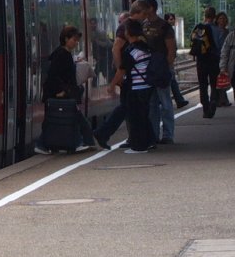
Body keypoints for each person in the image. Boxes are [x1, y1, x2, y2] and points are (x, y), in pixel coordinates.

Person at [36, 25, 96, 154]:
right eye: (74, 40)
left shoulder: (63, 53)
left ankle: (85, 142)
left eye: (77, 40)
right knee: (72, 118)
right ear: (66, 38)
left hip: (61, 92)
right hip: (59, 93)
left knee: (60, 119)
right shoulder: (62, 54)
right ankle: (80, 143)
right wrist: (62, 91)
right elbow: (54, 75)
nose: (76, 43)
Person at [130, 0, 176, 144]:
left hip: (161, 67)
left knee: (165, 102)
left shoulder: (164, 27)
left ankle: (168, 134)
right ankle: (154, 135)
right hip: (147, 69)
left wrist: (167, 66)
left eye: (144, 8)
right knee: (152, 103)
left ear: (151, 8)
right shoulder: (142, 25)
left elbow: (171, 49)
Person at [107, 18, 156, 153]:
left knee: (136, 118)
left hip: (137, 88)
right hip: (147, 86)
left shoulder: (132, 51)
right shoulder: (144, 46)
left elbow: (122, 70)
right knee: (143, 116)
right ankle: (148, 142)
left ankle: (139, 146)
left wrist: (112, 85)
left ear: (129, 32)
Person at [93, 11, 130, 149]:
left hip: (128, 78)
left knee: (127, 107)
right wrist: (113, 83)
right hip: (130, 79)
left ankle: (103, 132)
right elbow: (121, 66)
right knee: (128, 107)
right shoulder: (128, 48)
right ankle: (102, 132)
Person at [193, 6, 221, 119]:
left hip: (202, 60)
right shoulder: (218, 29)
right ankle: (213, 101)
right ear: (215, 16)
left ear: (205, 15)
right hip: (214, 59)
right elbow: (220, 46)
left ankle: (205, 109)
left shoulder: (199, 27)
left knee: (203, 85)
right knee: (214, 84)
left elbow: (194, 42)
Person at [164, 12, 190, 109]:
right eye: (170, 19)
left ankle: (179, 100)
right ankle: (178, 100)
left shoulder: (169, 29)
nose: (172, 21)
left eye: (173, 19)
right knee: (171, 80)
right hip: (167, 60)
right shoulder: (167, 30)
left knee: (172, 80)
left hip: (169, 59)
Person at [215, 12, 232, 106]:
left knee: (224, 78)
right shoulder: (215, 31)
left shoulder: (227, 32)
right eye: (220, 18)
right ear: (217, 20)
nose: (222, 20)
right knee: (219, 78)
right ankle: (221, 99)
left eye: (224, 19)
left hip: (225, 58)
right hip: (216, 57)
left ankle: (222, 98)